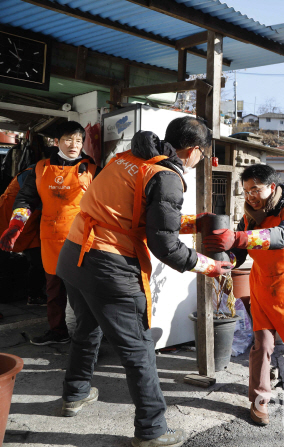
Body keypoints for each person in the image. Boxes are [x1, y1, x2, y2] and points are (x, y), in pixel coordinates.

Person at [57, 119, 230, 447]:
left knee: (87, 329)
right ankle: (152, 430)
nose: (202, 159)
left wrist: (196, 223)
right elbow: (163, 243)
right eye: (204, 154)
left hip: (75, 254)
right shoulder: (167, 177)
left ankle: (75, 394)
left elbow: (133, 212)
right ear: (194, 151)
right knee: (138, 348)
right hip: (108, 266)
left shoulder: (128, 157)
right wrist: (208, 266)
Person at [204, 164, 284, 425]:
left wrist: (239, 239)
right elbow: (239, 254)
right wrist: (225, 259)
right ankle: (259, 401)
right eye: (246, 191)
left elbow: (283, 236)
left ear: (272, 188)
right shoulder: (249, 217)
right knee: (262, 346)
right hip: (263, 288)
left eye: (256, 189)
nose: (250, 195)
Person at [0, 122, 98, 345]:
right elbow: (25, 199)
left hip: (82, 240)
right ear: (57, 142)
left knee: (83, 294)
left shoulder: (93, 170)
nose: (74, 145)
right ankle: (58, 331)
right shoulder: (40, 169)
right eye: (68, 140)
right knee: (53, 290)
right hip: (50, 239)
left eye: (79, 141)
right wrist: (16, 225)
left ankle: (88, 342)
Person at [0, 166, 45, 305]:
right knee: (3, 257)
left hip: (31, 222)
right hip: (10, 217)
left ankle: (34, 295)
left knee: (37, 258)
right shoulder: (35, 173)